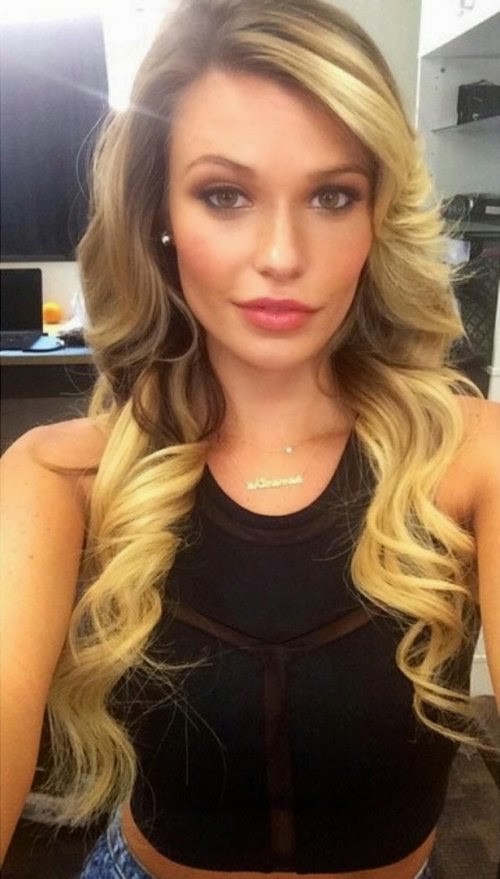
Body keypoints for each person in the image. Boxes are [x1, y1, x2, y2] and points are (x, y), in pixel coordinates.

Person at [1, 0, 499, 877]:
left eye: (332, 195)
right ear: (159, 212)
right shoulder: (57, 477)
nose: (281, 254)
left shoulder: (472, 458)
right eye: (224, 195)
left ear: (376, 216)